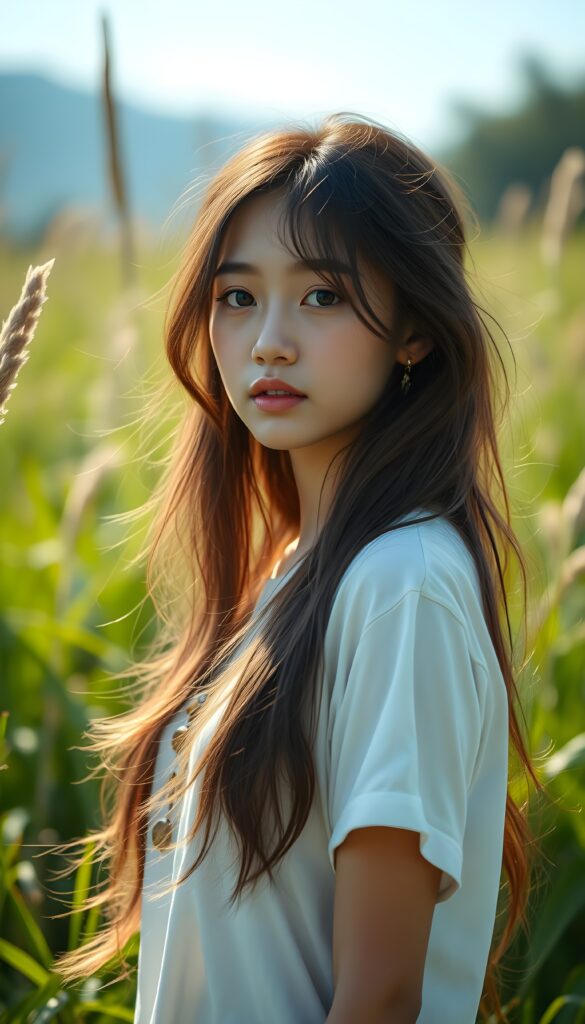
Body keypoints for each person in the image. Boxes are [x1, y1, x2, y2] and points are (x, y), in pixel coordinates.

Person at [55, 112, 543, 1023]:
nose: (268, 341)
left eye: (321, 296)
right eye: (237, 297)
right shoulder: (292, 570)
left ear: (415, 330)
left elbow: (380, 995)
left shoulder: (403, 584)